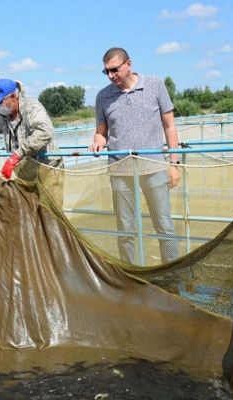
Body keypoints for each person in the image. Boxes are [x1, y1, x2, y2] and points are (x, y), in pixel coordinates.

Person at [89, 47, 181, 265]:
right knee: (125, 229)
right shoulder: (103, 97)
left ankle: (172, 274)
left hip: (153, 166)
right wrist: (98, 141)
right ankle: (130, 275)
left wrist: (174, 163)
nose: (111, 76)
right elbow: (101, 132)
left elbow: (169, 125)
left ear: (128, 63)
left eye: (115, 70)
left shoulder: (155, 85)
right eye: (106, 72)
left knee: (164, 225)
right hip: (120, 169)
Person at [0, 79, 63, 205]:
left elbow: (45, 131)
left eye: (0, 102)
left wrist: (17, 155)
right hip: (26, 172)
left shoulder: (31, 107)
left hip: (48, 168)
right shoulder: (2, 114)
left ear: (13, 97)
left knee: (51, 212)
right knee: (28, 212)